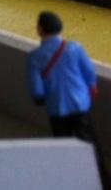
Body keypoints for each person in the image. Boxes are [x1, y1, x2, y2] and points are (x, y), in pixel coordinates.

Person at [26, 11, 107, 184]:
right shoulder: (75, 48)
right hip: (80, 104)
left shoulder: (34, 57)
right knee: (90, 143)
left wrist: (41, 98)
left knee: (63, 146)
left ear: (40, 29)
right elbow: (89, 73)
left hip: (57, 109)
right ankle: (101, 180)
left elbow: (37, 91)